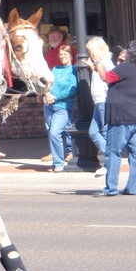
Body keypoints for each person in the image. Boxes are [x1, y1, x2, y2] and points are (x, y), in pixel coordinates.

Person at [93, 39, 136, 197]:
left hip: (121, 116)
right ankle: (135, 187)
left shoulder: (126, 67)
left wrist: (99, 68)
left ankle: (111, 188)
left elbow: (107, 77)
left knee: (113, 152)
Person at [41, 44, 78, 172]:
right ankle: (57, 162)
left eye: (65, 54)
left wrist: (54, 97)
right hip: (49, 106)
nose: (62, 57)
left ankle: (60, 163)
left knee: (55, 132)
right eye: (61, 55)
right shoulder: (56, 69)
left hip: (63, 107)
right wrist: (46, 94)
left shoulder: (74, 70)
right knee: (52, 134)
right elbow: (48, 82)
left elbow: (71, 90)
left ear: (71, 56)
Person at [83, 37, 115, 177]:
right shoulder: (98, 63)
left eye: (89, 50)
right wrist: (93, 68)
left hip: (104, 100)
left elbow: (112, 77)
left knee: (105, 132)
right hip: (99, 102)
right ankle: (111, 158)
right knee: (93, 132)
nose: (88, 52)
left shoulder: (106, 61)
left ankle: (110, 163)